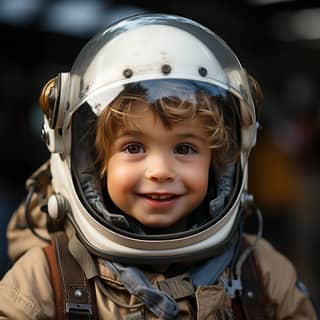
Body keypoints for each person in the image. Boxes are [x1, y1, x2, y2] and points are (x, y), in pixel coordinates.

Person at [0, 13, 317, 320]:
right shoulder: (43, 282)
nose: (160, 171)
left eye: (185, 148)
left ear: (217, 164)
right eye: (133, 147)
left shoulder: (262, 274)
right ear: (97, 165)